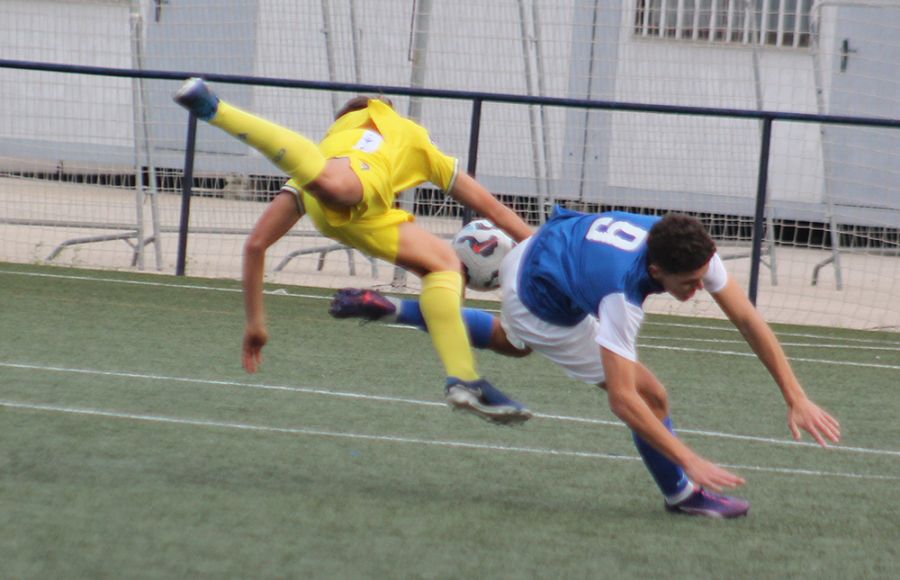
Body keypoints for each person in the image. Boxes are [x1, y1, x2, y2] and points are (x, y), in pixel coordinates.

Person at [329, 208, 842, 518]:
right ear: (658, 269)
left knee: (513, 343)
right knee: (650, 394)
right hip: (537, 296)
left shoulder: (695, 253)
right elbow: (623, 400)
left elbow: (749, 320)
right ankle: (684, 496)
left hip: (546, 249)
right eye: (685, 286)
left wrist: (795, 395)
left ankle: (400, 309)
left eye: (699, 281)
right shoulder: (624, 294)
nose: (694, 293)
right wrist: (689, 457)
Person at [173, 78, 535, 425]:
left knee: (445, 267)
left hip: (355, 214)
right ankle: (215, 110)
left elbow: (255, 244)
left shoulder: (329, 146)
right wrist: (541, 247)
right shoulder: (404, 134)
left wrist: (255, 322)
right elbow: (494, 209)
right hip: (357, 186)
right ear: (382, 109)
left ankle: (464, 379)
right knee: (332, 184)